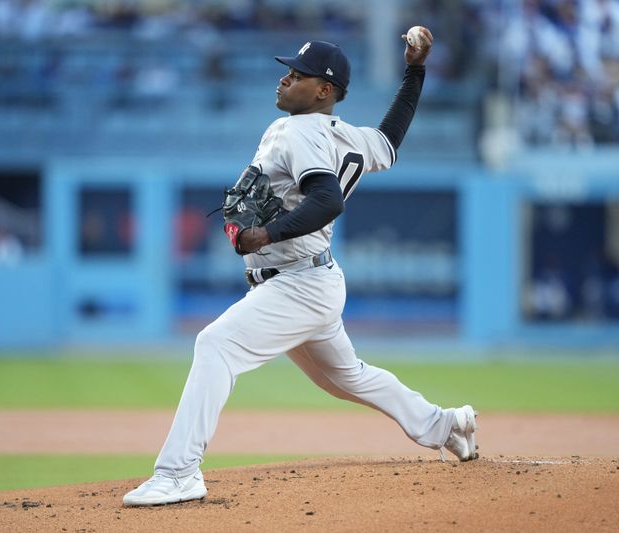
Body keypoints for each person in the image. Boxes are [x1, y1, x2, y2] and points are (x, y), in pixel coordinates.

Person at [123, 27, 479, 507]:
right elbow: (390, 139)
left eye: (298, 75)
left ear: (324, 91)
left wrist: (265, 234)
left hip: (299, 282)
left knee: (216, 345)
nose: (285, 80)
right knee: (348, 376)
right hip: (311, 279)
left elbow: (327, 198)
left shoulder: (299, 131)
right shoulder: (344, 135)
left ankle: (179, 473)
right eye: (288, 72)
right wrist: (415, 71)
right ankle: (446, 423)